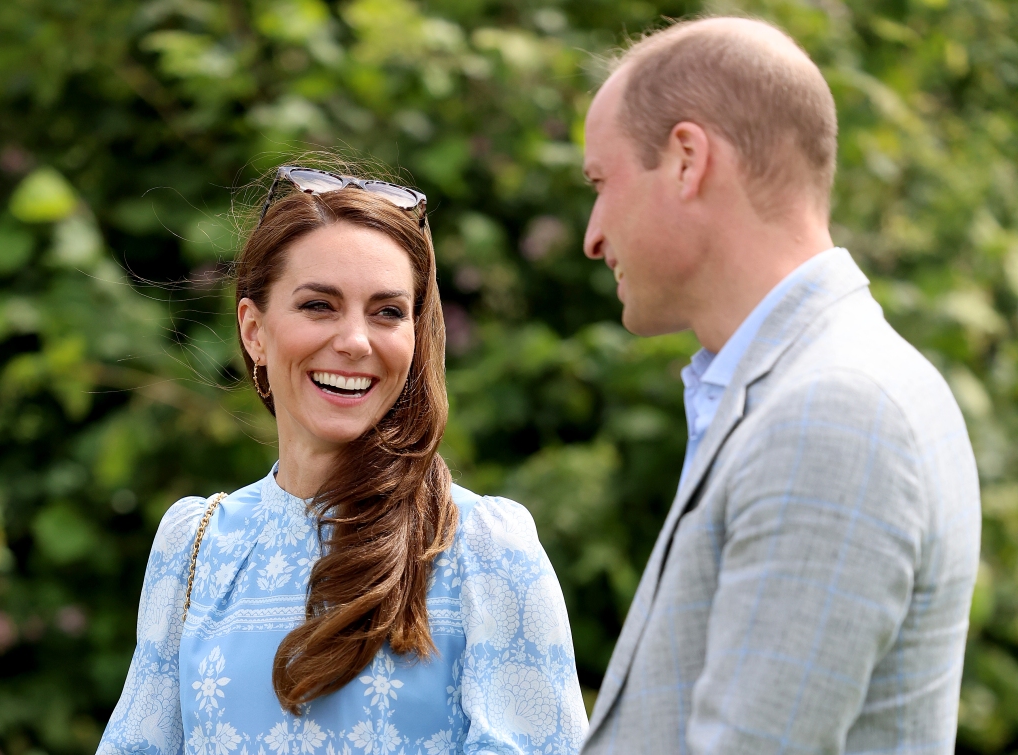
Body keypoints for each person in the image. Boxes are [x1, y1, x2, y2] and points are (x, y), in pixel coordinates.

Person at [580, 17, 980, 755]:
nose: (593, 235)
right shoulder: (812, 386)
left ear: (686, 160)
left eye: (602, 184)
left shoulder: (834, 412)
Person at [97, 166, 587, 755]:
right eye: (319, 305)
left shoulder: (485, 550)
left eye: (387, 312)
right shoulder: (194, 548)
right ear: (254, 330)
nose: (356, 340)